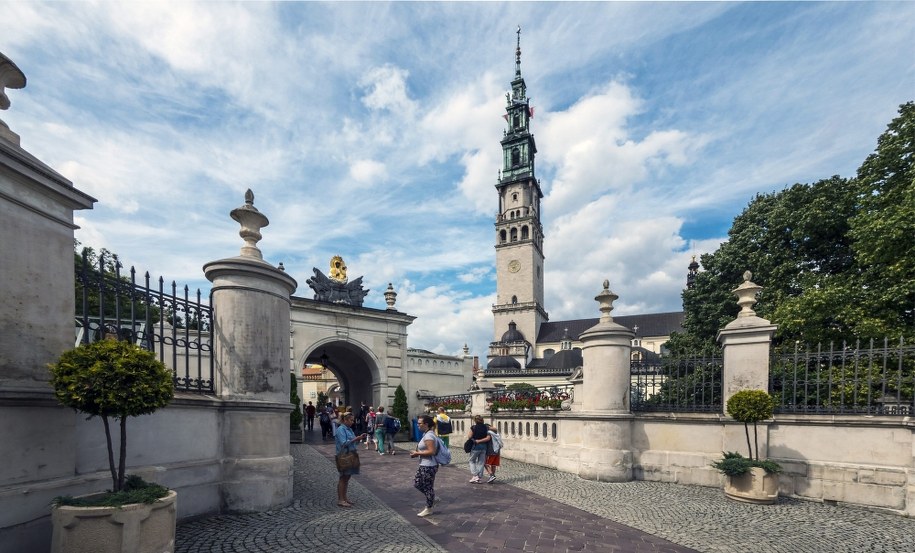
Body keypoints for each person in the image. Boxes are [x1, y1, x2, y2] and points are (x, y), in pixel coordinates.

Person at [334, 412, 367, 508]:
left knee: (347, 478)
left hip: (351, 454)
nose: (353, 422)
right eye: (351, 420)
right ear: (345, 420)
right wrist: (355, 439)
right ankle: (340, 499)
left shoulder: (349, 429)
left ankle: (344, 498)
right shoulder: (341, 429)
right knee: (343, 478)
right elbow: (343, 443)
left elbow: (353, 443)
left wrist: (359, 439)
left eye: (353, 420)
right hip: (343, 455)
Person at [410, 414, 439, 517]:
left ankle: (429, 508)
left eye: (419, 423)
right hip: (424, 464)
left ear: (426, 424)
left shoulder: (429, 436)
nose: (418, 425)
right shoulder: (426, 434)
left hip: (429, 465)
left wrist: (417, 453)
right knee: (417, 483)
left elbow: (432, 451)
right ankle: (433, 498)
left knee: (428, 486)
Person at [465, 414, 491, 483]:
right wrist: (481, 440)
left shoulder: (473, 427)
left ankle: (475, 475)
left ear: (475, 421)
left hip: (476, 446)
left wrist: (477, 440)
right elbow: (488, 438)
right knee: (481, 462)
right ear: (482, 420)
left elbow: (469, 436)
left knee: (471, 461)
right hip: (484, 447)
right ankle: (478, 477)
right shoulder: (486, 427)